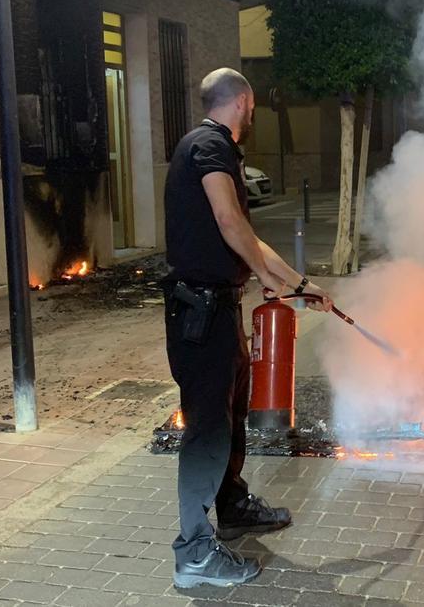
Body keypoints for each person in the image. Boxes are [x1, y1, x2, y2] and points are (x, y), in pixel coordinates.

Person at [163, 67, 331, 589]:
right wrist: (265, 277)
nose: (254, 114)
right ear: (243, 101)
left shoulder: (215, 148)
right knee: (207, 430)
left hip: (219, 310)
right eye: (254, 107)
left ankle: (232, 506)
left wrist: (299, 283)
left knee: (230, 417)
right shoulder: (208, 147)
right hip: (200, 314)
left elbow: (248, 238)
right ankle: (192, 554)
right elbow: (229, 222)